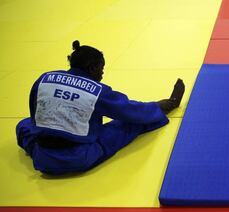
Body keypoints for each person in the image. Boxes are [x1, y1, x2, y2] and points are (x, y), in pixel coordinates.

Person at [16, 40, 185, 175]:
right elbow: (130, 110)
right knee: (126, 124)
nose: (102, 74)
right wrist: (161, 105)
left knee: (25, 124)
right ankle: (165, 107)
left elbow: (35, 113)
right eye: (101, 69)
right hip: (79, 157)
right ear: (93, 68)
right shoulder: (96, 91)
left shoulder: (44, 78)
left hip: (42, 156)